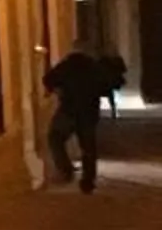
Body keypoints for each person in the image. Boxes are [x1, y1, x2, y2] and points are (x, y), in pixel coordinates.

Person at [44, 46, 118, 193]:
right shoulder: (95, 67)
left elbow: (48, 79)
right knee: (88, 147)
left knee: (55, 137)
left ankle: (65, 170)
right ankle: (88, 182)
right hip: (89, 112)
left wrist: (58, 90)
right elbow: (108, 85)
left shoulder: (67, 65)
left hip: (69, 110)